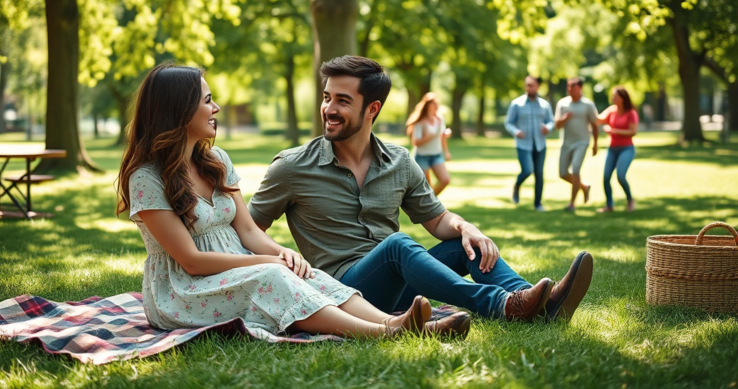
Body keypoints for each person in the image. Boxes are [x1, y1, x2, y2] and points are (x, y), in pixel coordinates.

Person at [116, 63, 467, 339]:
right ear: (178, 110)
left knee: (304, 271)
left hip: (231, 271)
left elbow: (249, 231)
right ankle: (385, 332)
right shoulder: (146, 178)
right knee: (273, 272)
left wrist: (282, 253)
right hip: (181, 292)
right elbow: (191, 261)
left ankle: (396, 322)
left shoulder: (216, 160)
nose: (216, 107)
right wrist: (269, 263)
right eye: (207, 101)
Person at [248, 55, 593, 323]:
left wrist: (465, 227)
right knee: (397, 244)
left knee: (463, 244)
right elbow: (245, 231)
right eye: (327, 98)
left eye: (342, 100)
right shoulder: (292, 167)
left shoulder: (399, 162)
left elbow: (438, 220)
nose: (329, 109)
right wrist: (282, 260)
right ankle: (502, 305)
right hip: (343, 294)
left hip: (398, 288)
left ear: (373, 108)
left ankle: (537, 302)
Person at [504, 76, 554, 211]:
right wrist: (516, 131)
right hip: (523, 144)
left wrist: (548, 128)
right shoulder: (517, 104)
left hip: (540, 144)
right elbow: (508, 122)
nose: (529, 87)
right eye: (527, 85)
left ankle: (538, 203)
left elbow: (551, 121)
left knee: (539, 174)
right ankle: (517, 185)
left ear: (538, 86)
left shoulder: (544, 105)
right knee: (527, 170)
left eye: (532, 85)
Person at [554, 78, 599, 212]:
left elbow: (594, 125)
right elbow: (557, 125)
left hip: (582, 143)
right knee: (562, 173)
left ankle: (572, 203)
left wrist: (595, 144)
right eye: (568, 87)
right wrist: (564, 119)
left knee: (575, 170)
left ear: (580, 88)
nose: (569, 89)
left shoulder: (588, 105)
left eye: (572, 87)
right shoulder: (562, 104)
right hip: (566, 143)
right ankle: (584, 187)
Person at [595, 86, 638, 212]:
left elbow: (633, 131)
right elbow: (598, 120)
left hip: (627, 149)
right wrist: (589, 109)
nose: (613, 98)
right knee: (606, 177)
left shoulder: (631, 113)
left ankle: (630, 200)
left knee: (620, 176)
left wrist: (613, 130)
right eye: (612, 96)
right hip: (612, 149)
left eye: (615, 96)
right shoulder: (612, 110)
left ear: (623, 98)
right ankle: (609, 205)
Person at [406, 93, 452, 196]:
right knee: (427, 187)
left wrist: (446, 151)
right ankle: (431, 205)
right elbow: (415, 142)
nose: (437, 106)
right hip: (422, 156)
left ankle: (432, 202)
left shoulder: (439, 119)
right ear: (428, 105)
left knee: (445, 180)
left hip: (436, 154)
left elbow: (441, 136)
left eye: (437, 104)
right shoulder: (420, 121)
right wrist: (430, 136)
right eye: (434, 104)